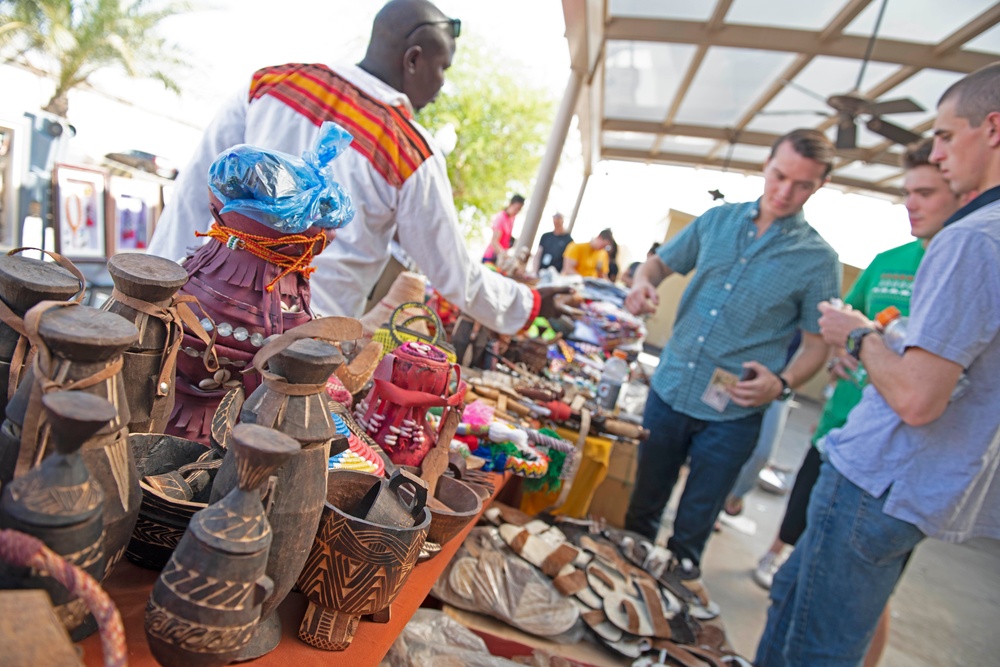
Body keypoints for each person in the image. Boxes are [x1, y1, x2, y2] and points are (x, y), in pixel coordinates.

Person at [755, 64, 1000, 667]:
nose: (938, 154)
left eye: (946, 135)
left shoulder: (974, 239)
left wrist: (861, 335)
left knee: (817, 647)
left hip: (879, 480)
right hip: (906, 486)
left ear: (992, 128)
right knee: (791, 599)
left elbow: (918, 399)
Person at [146, 0, 565, 335]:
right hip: (298, 353)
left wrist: (151, 296)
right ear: (414, 59)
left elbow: (191, 199)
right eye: (443, 69)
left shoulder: (271, 84)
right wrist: (531, 304)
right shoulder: (411, 150)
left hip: (194, 317)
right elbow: (454, 273)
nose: (441, 87)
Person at [622, 129, 840, 575]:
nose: (785, 192)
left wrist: (782, 383)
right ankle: (618, 600)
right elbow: (659, 263)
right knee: (640, 512)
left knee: (691, 532)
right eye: (779, 176)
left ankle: (667, 610)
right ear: (766, 164)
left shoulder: (818, 259)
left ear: (820, 185)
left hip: (733, 415)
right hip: (670, 389)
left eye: (803, 185)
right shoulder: (717, 221)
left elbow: (817, 346)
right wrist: (644, 283)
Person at [483, 194, 524, 263]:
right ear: (510, 204)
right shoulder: (501, 217)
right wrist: (505, 256)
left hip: (500, 258)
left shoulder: (512, 218)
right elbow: (494, 241)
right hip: (491, 257)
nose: (516, 212)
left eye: (519, 210)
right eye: (516, 208)